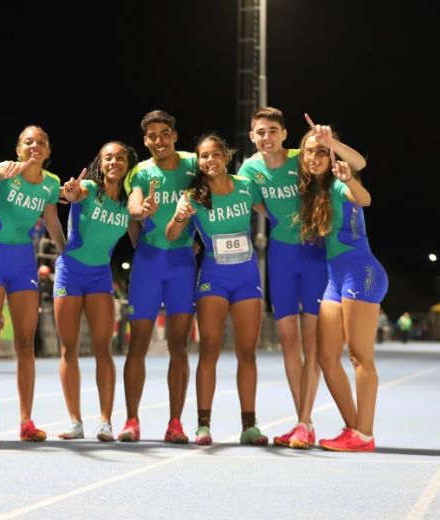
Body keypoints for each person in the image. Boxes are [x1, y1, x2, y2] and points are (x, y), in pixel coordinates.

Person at [238, 108, 367, 448]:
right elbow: (254, 203)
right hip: (281, 257)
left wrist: (331, 142)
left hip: (314, 254)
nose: (266, 137)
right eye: (260, 132)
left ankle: (303, 421)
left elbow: (358, 166)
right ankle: (303, 423)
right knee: (288, 342)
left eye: (272, 131)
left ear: (283, 134)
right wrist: (281, 220)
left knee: (312, 342)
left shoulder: (304, 155)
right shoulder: (250, 168)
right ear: (252, 136)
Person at [166, 133, 268, 446]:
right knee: (209, 348)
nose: (210, 161)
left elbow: (274, 214)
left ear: (226, 156)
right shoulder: (194, 194)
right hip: (213, 277)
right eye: (203, 156)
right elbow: (171, 234)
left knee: (247, 352)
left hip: (247, 277)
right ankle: (203, 425)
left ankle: (249, 425)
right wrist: (180, 217)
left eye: (215, 154)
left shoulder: (246, 187)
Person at [294, 128, 387, 452]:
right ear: (302, 157)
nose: (316, 157)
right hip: (336, 279)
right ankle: (354, 428)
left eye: (322, 152)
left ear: (331, 155)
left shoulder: (339, 183)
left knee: (360, 356)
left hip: (362, 274)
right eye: (310, 152)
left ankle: (365, 434)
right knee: (327, 356)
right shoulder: (312, 191)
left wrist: (346, 173)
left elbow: (365, 198)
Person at [0, 125, 65, 442]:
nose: (36, 146)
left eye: (42, 141)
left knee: (26, 343)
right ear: (18, 148)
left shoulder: (51, 184)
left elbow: (52, 221)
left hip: (23, 260)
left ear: (48, 151)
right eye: (28, 141)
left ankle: (26, 421)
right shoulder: (5, 170)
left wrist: (66, 253)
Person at [121, 110, 197, 443]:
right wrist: (141, 210)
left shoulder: (194, 165)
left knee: (178, 346)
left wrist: (201, 240)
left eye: (164, 133)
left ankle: (176, 423)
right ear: (145, 141)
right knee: (137, 344)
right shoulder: (140, 172)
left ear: (175, 136)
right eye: (152, 136)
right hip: (148, 264)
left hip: (182, 264)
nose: (159, 140)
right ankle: (132, 421)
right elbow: (133, 207)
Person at [55, 141, 138, 441]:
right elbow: (76, 193)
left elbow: (140, 240)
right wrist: (71, 193)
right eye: (108, 158)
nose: (114, 162)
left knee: (104, 349)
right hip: (70, 273)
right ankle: (75, 421)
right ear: (99, 163)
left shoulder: (128, 204)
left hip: (100, 277)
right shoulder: (89, 188)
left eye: (120, 158)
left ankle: (105, 422)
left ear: (128, 165)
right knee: (69, 348)